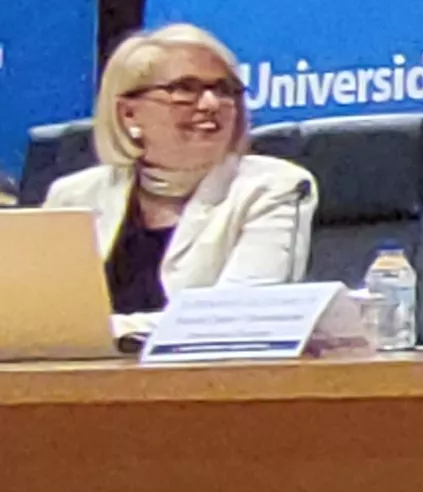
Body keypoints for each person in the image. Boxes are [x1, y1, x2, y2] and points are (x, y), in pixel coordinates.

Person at [45, 23, 317, 330]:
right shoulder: (74, 196)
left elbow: (238, 317)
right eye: (185, 90)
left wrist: (97, 332)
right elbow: (42, 317)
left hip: (213, 375)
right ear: (128, 113)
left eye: (224, 90)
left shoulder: (273, 187)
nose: (211, 104)